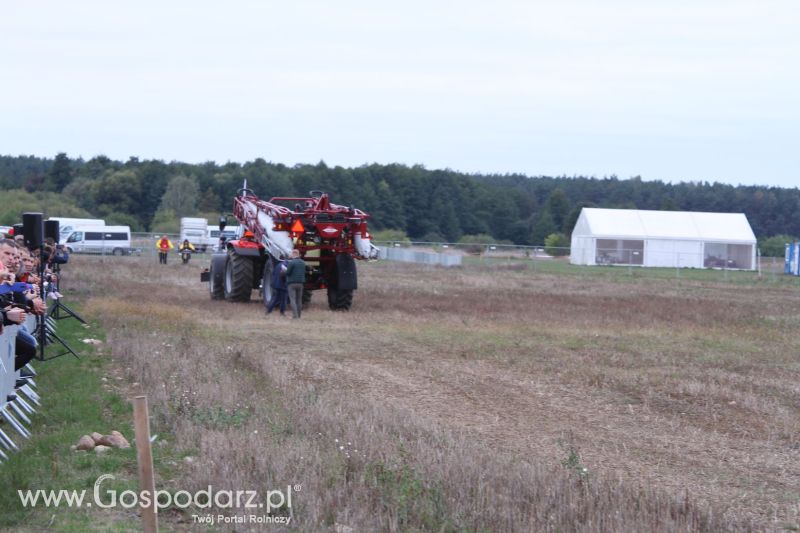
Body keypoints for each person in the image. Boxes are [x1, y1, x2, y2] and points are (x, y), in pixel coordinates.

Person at [284, 250, 306, 319]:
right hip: (300, 283)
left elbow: (288, 273)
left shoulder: (292, 262)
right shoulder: (303, 262)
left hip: (292, 283)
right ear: (299, 254)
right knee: (299, 300)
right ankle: (299, 315)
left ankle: (295, 316)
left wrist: (284, 271)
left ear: (293, 254)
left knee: (292, 299)